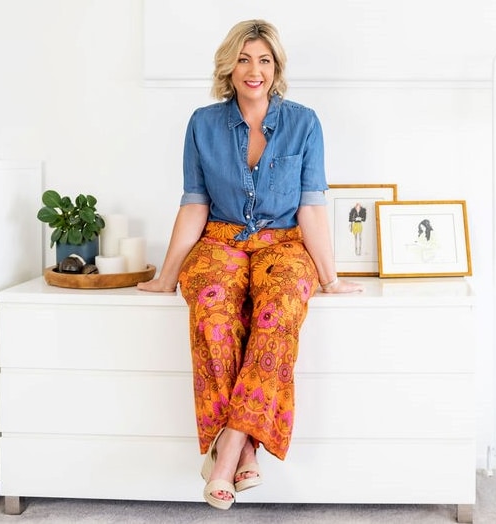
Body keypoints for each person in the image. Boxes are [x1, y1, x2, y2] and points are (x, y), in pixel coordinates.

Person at [137, 19, 363, 510]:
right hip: (220, 240)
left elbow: (311, 205)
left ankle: (229, 450)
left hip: (284, 244)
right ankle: (246, 454)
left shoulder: (305, 123)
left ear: (276, 66)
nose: (253, 70)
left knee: (278, 312)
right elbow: (195, 203)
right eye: (243, 59)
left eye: (263, 59)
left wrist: (329, 277)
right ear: (229, 66)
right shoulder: (203, 123)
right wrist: (167, 276)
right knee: (213, 310)